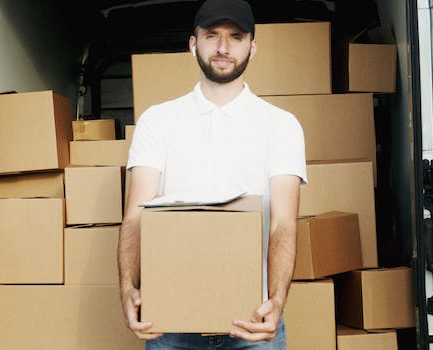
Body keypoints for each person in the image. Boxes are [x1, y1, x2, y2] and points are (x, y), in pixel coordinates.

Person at [118, 0, 307, 348]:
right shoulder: (157, 122)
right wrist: (128, 287)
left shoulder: (281, 126)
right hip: (170, 324)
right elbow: (135, 216)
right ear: (193, 44)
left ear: (253, 46)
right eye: (211, 36)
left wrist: (278, 299)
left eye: (235, 37)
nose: (223, 47)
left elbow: (283, 223)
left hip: (253, 322)